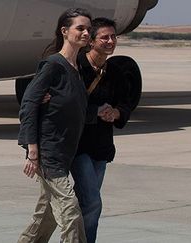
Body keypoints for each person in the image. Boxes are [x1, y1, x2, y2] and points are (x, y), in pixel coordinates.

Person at [17, 8, 92, 243]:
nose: (86, 33)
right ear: (64, 31)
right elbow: (28, 104)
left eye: (88, 29)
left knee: (46, 216)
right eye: (80, 28)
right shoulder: (53, 65)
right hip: (49, 153)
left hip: (65, 152)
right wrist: (32, 150)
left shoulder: (77, 68)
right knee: (70, 211)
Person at [71, 17, 132, 243]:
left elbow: (125, 103)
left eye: (113, 37)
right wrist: (95, 111)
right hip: (78, 146)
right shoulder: (76, 68)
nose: (110, 41)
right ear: (91, 41)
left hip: (102, 147)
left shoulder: (114, 71)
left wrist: (116, 113)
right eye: (104, 37)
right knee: (93, 201)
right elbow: (68, 104)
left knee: (85, 201)